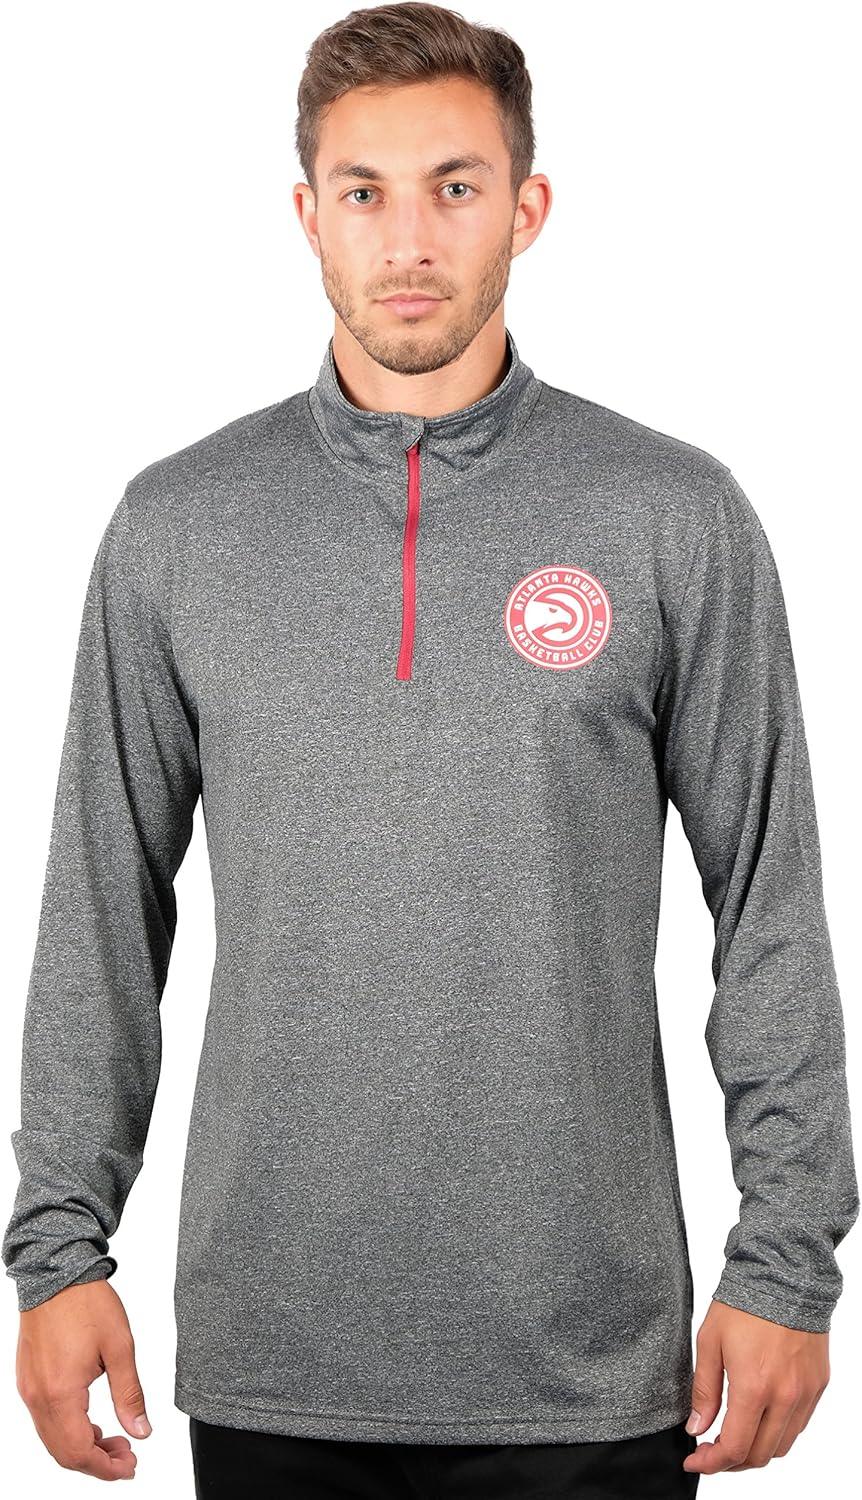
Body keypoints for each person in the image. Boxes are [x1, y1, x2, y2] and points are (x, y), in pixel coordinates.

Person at [4, 3, 858, 1495]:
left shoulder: (671, 515)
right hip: (275, 1353)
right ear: (306, 215)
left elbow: (767, 904)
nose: (408, 239)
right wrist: (57, 1250)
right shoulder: (178, 527)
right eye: (365, 191)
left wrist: (785, 1262)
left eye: (454, 187)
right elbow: (101, 911)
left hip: (591, 1370)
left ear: (527, 208)